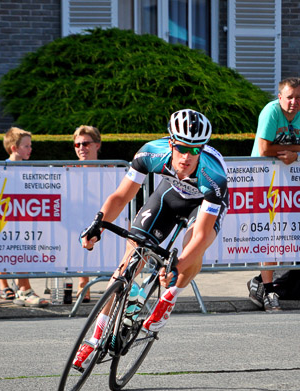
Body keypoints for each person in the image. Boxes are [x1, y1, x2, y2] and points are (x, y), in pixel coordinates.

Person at [73, 109, 228, 369]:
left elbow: (201, 236)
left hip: (201, 204)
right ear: (171, 143)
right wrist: (98, 224)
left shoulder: (214, 177)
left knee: (192, 250)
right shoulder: (151, 153)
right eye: (181, 147)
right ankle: (94, 337)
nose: (187, 156)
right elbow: (121, 197)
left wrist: (176, 267)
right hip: (170, 194)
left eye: (195, 149)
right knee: (130, 260)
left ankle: (171, 296)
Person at [247, 77, 300, 312]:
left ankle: (262, 282)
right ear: (280, 97)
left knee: (286, 235)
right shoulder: (270, 111)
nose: (294, 102)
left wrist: (297, 155)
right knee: (268, 234)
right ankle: (268, 290)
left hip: (291, 183)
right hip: (263, 180)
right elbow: (264, 149)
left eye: (298, 97)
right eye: (289, 97)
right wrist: (299, 148)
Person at [0, 127, 49, 307]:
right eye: (26, 146)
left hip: (23, 217)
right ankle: (9, 287)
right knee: (5, 252)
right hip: (6, 218)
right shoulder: (2, 168)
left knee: (21, 250)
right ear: (14, 148)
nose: (30, 149)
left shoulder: (29, 168)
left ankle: (23, 288)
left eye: (30, 145)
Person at [72, 125, 102, 303]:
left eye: (86, 144)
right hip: (80, 218)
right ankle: (83, 283)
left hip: (104, 216)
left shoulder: (112, 169)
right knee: (79, 232)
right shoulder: (71, 170)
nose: (81, 148)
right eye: (77, 145)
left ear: (97, 145)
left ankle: (115, 285)